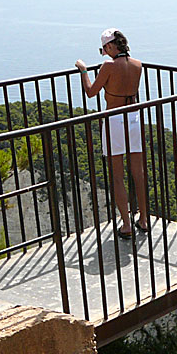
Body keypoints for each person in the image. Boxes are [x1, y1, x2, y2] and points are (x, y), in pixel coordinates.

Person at [75, 28, 148, 239]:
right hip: (134, 117)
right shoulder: (138, 65)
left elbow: (91, 92)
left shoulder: (107, 65)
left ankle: (126, 224)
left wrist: (83, 70)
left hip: (115, 120)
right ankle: (143, 219)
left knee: (117, 175)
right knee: (138, 172)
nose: (104, 53)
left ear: (109, 46)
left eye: (103, 49)